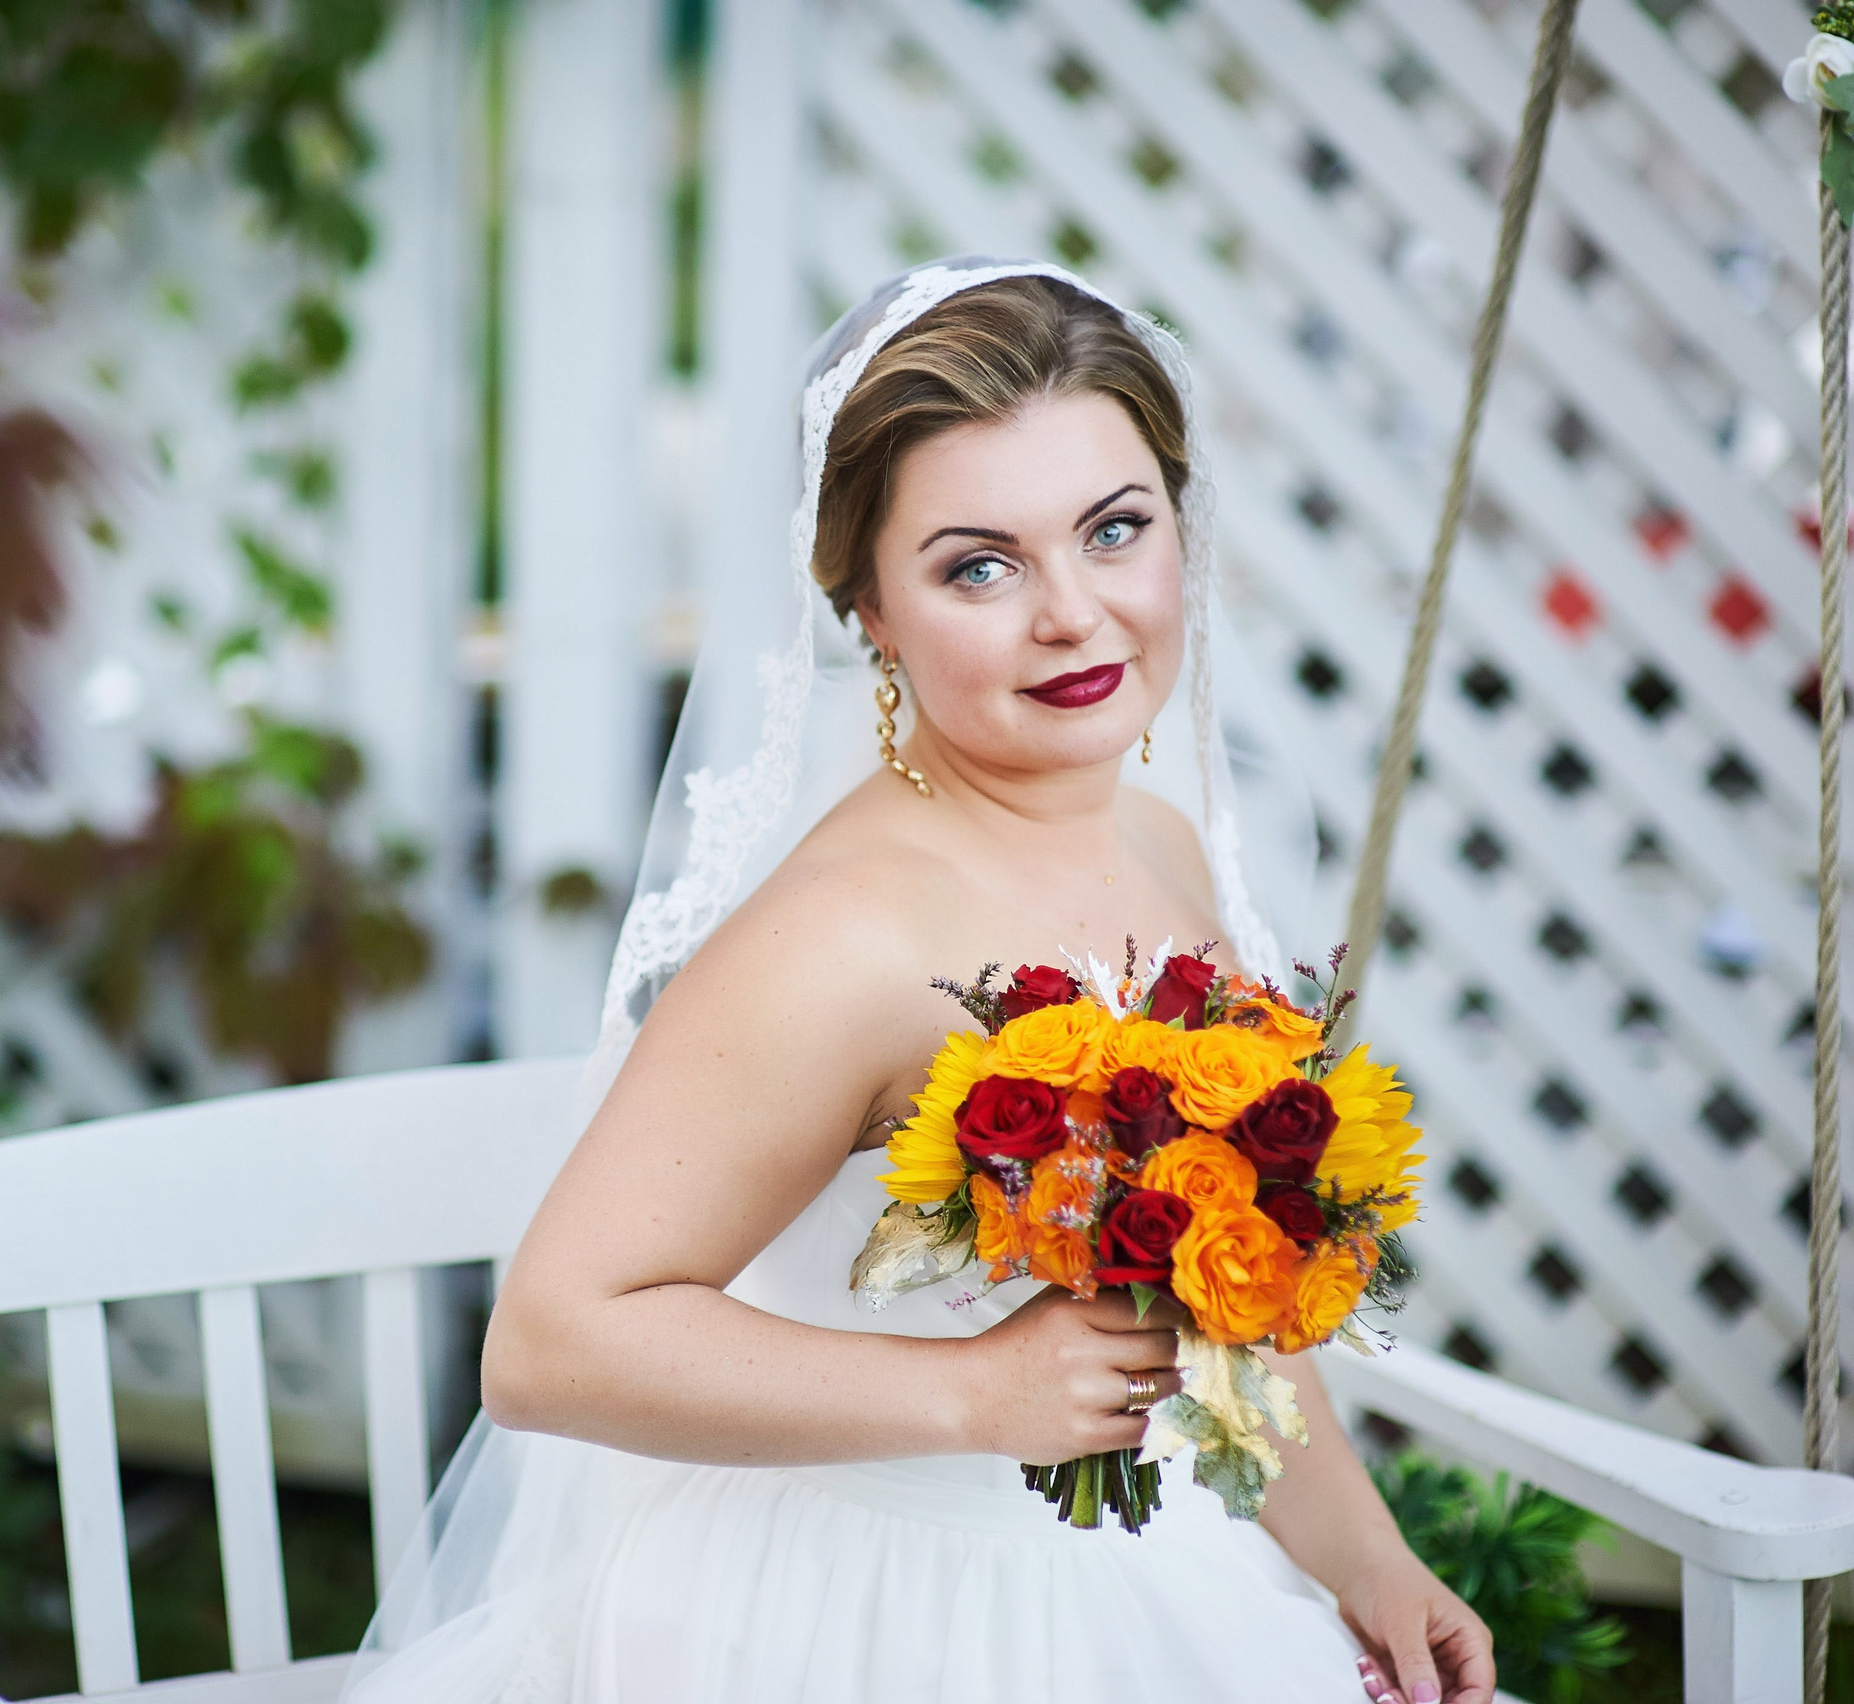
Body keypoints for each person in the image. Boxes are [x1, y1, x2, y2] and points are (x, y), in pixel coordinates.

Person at [345, 261, 1493, 1704]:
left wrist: (1368, 1560)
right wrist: (974, 1393)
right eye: (979, 567)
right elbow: (551, 1342)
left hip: (1133, 1569)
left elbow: (1224, 1294)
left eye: (1115, 530)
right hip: (858, 1609)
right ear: (871, 612)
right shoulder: (845, 941)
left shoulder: (1167, 845)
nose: (1072, 614)